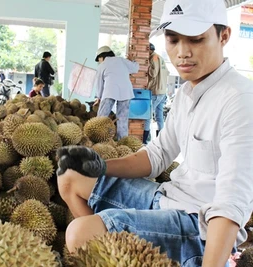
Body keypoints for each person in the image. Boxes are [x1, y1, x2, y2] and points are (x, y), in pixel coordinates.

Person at [56, 0, 253, 266]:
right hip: (167, 199)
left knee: (80, 233)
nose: (182, 52)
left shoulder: (240, 99)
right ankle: (115, 255)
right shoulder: (186, 93)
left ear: (224, 36)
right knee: (70, 177)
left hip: (199, 226)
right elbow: (156, 155)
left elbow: (231, 202)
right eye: (173, 40)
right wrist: (99, 166)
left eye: (196, 40)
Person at [93, 46, 139, 140]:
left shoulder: (102, 65)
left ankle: (96, 138)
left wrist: (98, 97)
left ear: (101, 57)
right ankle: (123, 141)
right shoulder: (122, 60)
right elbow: (135, 69)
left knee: (101, 117)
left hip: (110, 91)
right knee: (122, 119)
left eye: (99, 59)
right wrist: (133, 60)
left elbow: (99, 84)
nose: (99, 61)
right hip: (126, 92)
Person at [143, 43, 170, 144]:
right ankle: (161, 140)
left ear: (149, 50)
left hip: (155, 91)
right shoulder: (160, 57)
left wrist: (147, 66)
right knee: (159, 116)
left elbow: (153, 73)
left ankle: (144, 140)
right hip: (162, 90)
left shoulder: (153, 58)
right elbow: (167, 73)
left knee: (147, 116)